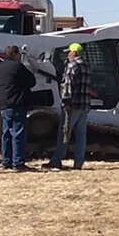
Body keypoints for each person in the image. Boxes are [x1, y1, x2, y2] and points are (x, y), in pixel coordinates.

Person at [44, 42, 91, 170]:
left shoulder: (72, 66)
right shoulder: (86, 66)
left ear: (74, 53)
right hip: (85, 105)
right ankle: (78, 163)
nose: (68, 55)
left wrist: (66, 103)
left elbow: (68, 87)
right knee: (81, 135)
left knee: (64, 132)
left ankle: (56, 160)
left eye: (69, 52)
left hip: (73, 106)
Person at [0, 45, 36, 171]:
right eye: (19, 54)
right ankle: (18, 162)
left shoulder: (2, 67)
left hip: (4, 105)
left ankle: (6, 161)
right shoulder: (17, 67)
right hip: (16, 104)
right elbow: (31, 81)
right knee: (18, 134)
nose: (20, 56)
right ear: (14, 54)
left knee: (6, 134)